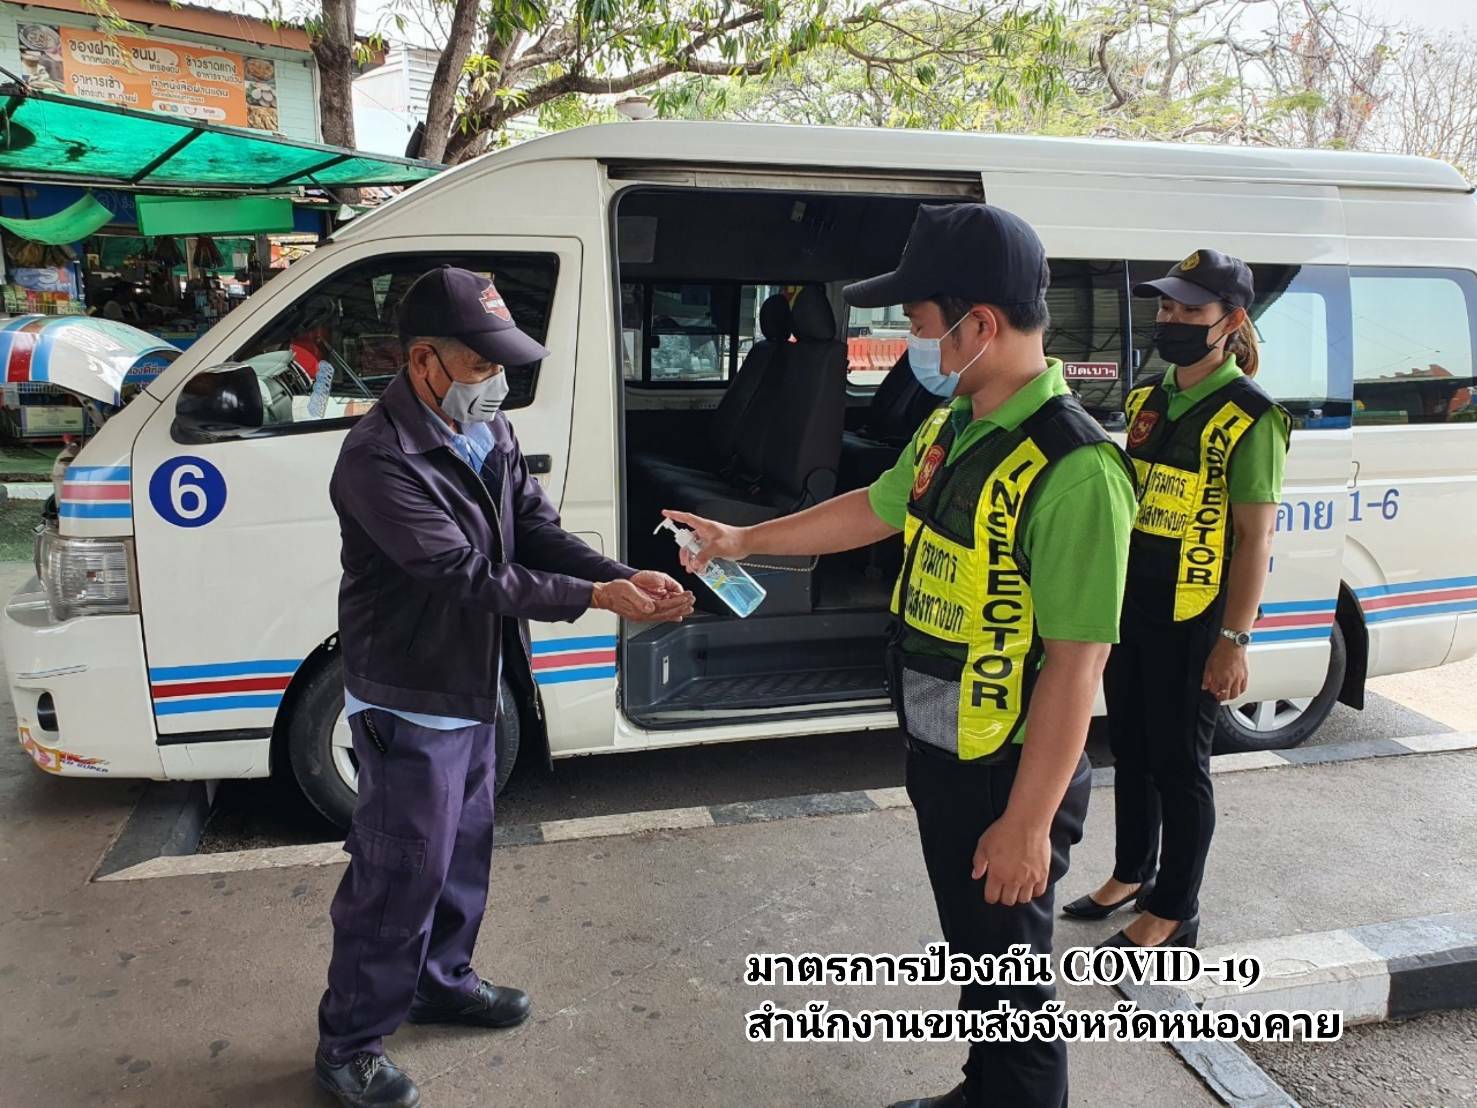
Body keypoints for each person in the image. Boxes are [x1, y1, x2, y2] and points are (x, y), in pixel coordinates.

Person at [664, 204, 1137, 1108]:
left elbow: (1078, 666)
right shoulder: (953, 425)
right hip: (942, 746)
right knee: (979, 958)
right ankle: (979, 1091)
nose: (916, 343)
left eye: (921, 327)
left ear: (980, 326)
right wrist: (740, 540)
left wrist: (1028, 825)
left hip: (1007, 768)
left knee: (1015, 987)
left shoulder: (1074, 470)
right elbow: (876, 508)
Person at [315, 265, 694, 1108]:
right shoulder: (379, 458)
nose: (498, 385)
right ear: (424, 363)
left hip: (473, 683)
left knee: (464, 851)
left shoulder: (489, 434)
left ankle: (441, 981)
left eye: (504, 368)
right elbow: (461, 572)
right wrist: (599, 598)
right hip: (409, 697)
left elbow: (534, 530)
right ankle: (350, 1041)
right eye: (483, 368)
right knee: (397, 873)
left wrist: (623, 572)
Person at [1062, 249, 1290, 949]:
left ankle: (1175, 907)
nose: (1172, 320)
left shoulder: (1251, 416)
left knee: (1178, 763)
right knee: (1128, 744)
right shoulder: (1147, 401)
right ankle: (1132, 871)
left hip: (1195, 615)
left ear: (1231, 321)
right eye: (1166, 307)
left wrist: (1234, 640)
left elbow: (1253, 541)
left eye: (1191, 310)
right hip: (1131, 604)